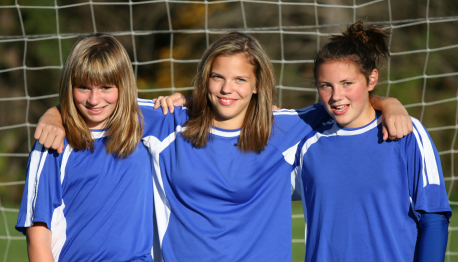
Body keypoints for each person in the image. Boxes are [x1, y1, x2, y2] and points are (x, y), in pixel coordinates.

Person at [34, 32, 412, 261]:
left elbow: (343, 103)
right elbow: (100, 102)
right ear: (205, 79)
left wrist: (389, 103)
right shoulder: (170, 122)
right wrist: (52, 115)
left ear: (258, 84)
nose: (227, 88)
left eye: (239, 79)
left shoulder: (285, 128)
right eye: (217, 77)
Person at [294, 22, 452, 262]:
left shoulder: (406, 132)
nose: (336, 96)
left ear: (371, 79)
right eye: (326, 85)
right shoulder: (304, 140)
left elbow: (433, 217)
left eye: (347, 83)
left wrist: (387, 103)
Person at [15, 34, 155, 262]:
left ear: (124, 85)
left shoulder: (147, 122)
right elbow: (37, 235)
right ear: (70, 86)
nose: (94, 99)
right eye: (83, 88)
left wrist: (184, 100)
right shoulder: (52, 143)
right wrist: (55, 114)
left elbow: (203, 114)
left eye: (106, 87)